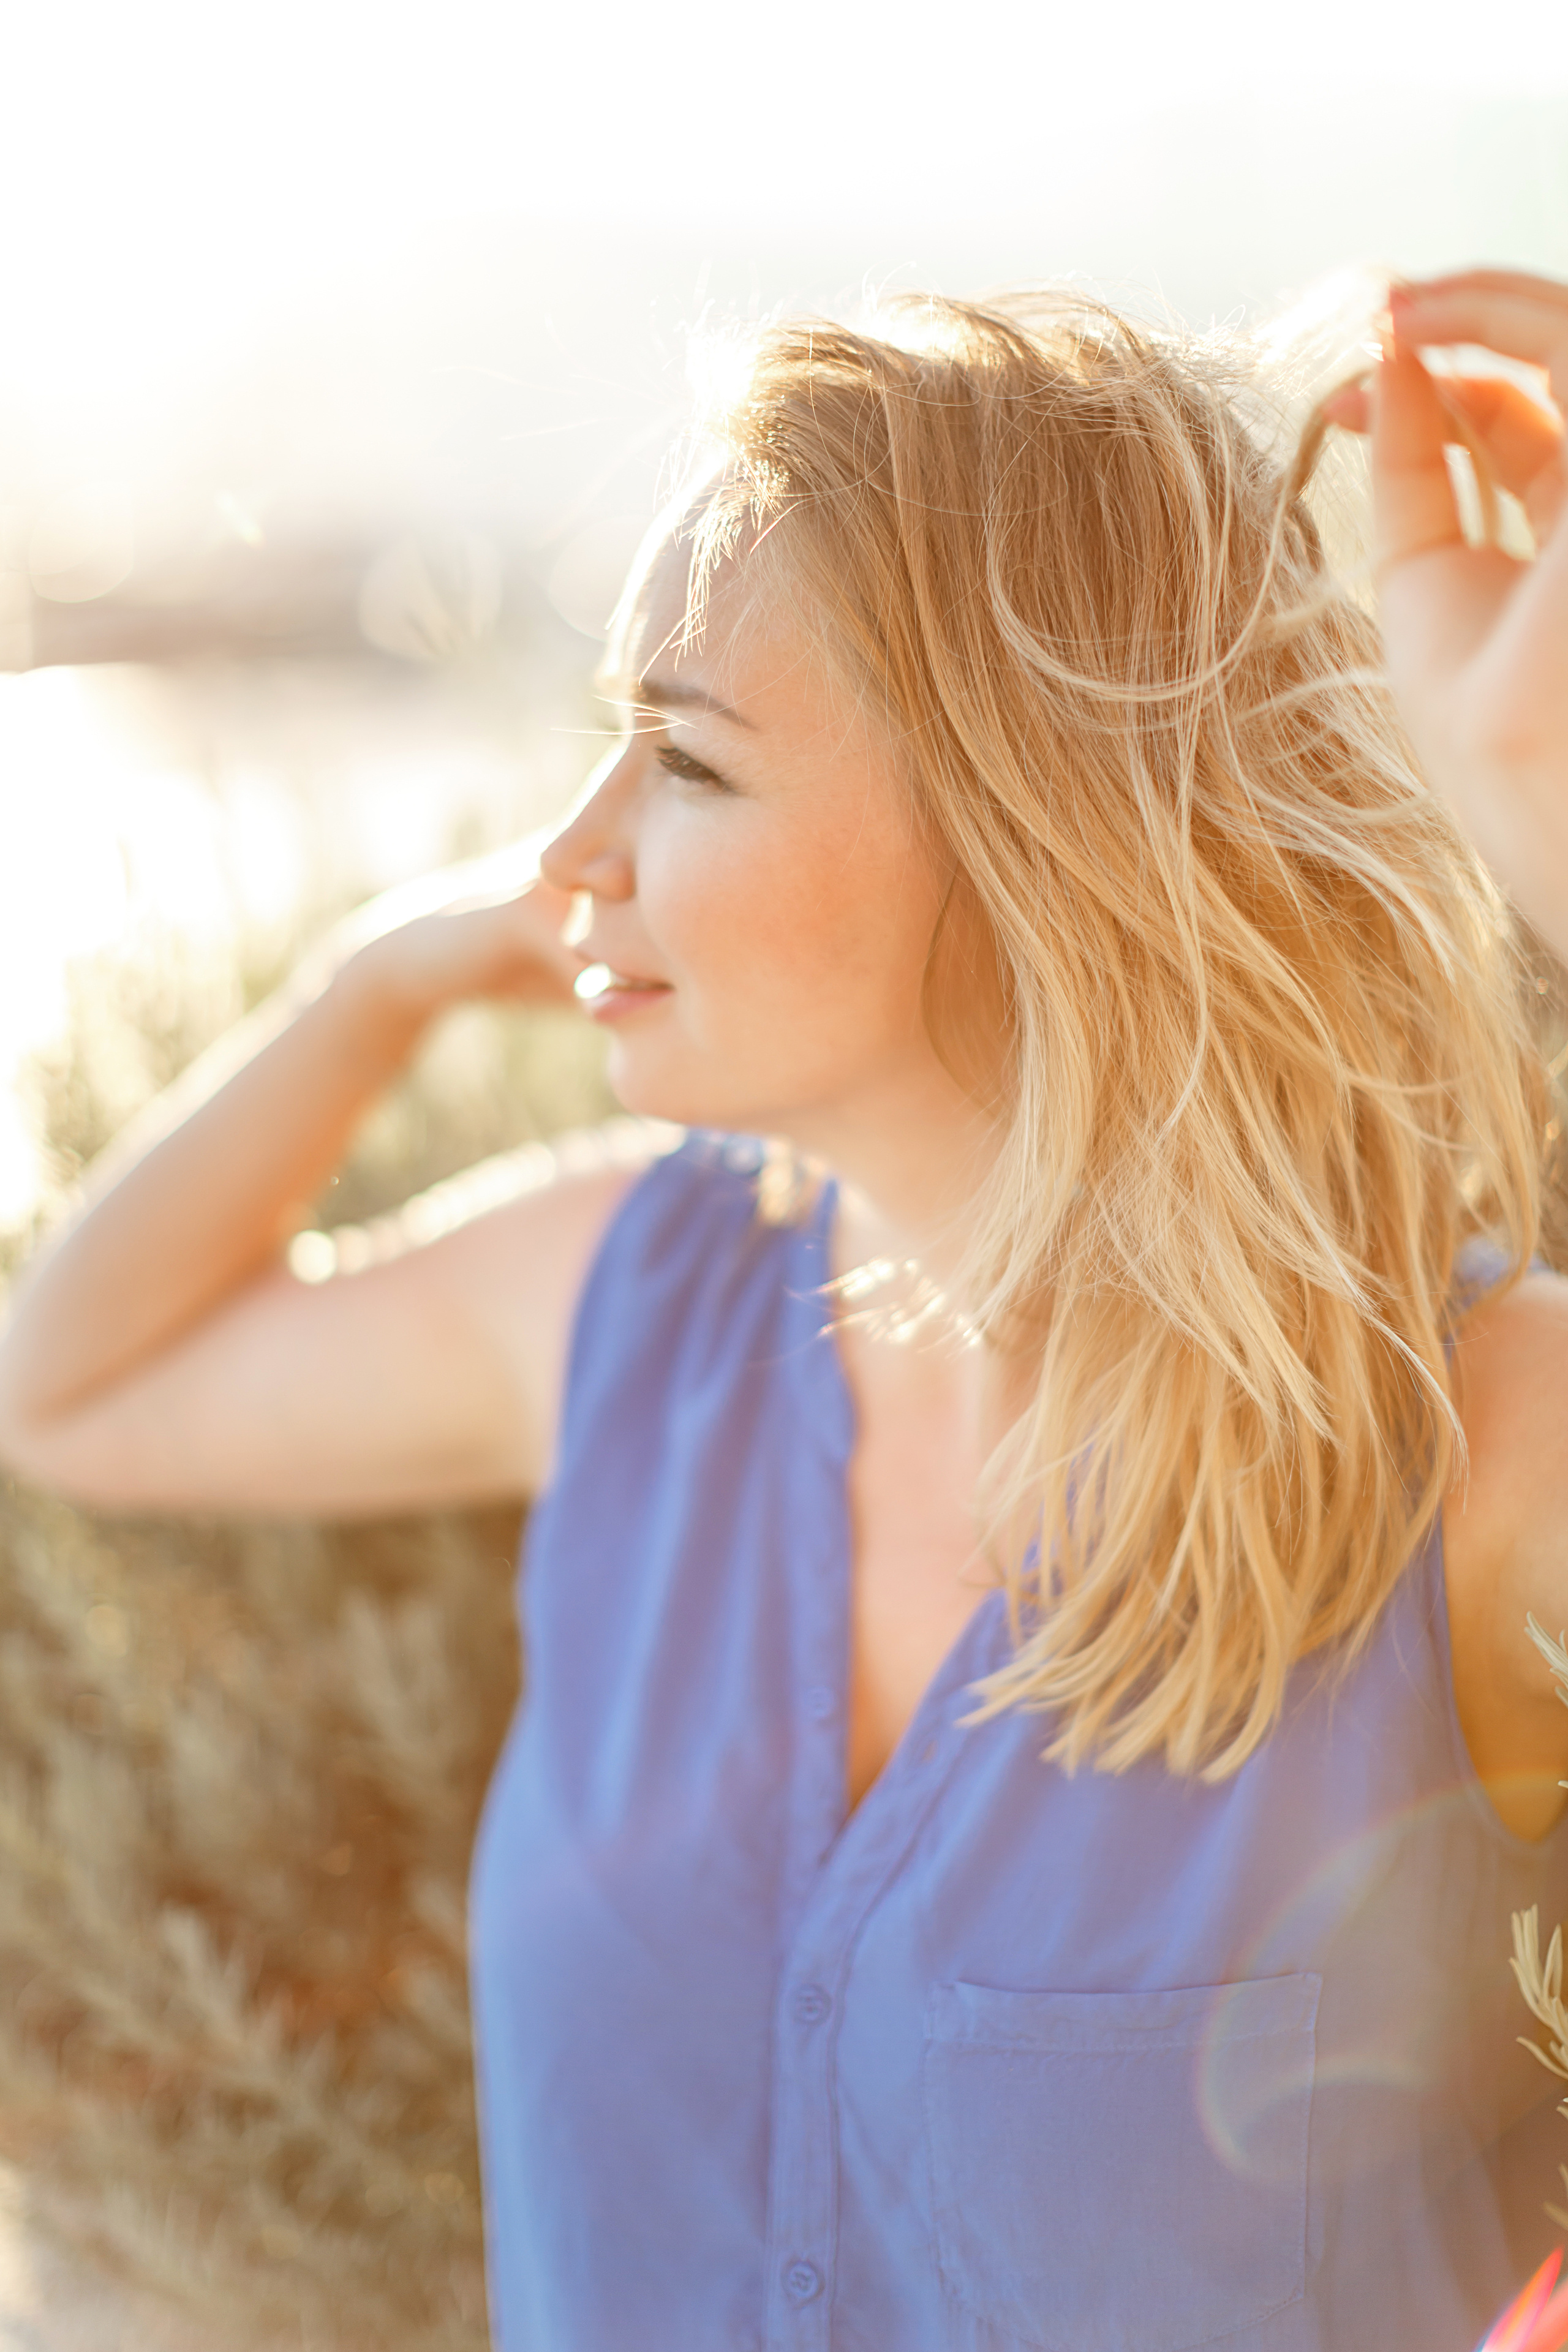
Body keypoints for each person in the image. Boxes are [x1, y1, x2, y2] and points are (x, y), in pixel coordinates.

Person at [0, 265, 1565, 2352]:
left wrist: (1544, 811)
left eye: (687, 767)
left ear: (1036, 844)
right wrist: (373, 985)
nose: (570, 858)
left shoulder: (1473, 1435)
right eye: (600, 749)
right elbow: (83, 1387)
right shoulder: (626, 1297)